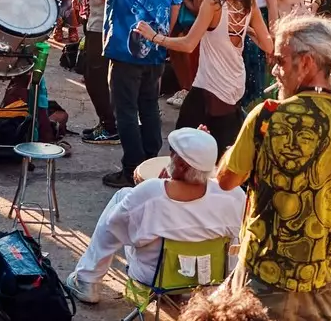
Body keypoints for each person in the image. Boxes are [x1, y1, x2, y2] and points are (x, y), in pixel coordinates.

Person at [217, 16, 331, 320]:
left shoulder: (268, 118)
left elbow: (226, 180)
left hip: (260, 286)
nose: (275, 70)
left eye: (280, 60)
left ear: (305, 64)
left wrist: (231, 152)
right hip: (322, 292)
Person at [69, 126, 247, 306]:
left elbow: (115, 228)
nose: (169, 156)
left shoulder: (151, 193)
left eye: (172, 152)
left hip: (155, 277)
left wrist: (154, 187)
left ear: (180, 164)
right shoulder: (233, 195)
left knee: (122, 199)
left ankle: (87, 280)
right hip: (210, 276)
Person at [142, 0, 271, 153]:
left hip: (211, 85)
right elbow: (268, 46)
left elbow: (188, 44)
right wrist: (250, 31)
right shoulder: (249, 4)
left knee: (182, 145)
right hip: (234, 84)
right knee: (221, 151)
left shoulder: (213, 2)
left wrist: (154, 37)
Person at [102, 0, 185, 189]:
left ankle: (132, 169)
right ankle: (150, 160)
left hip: (127, 44)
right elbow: (176, 2)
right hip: (156, 44)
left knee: (124, 108)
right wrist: (164, 36)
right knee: (149, 104)